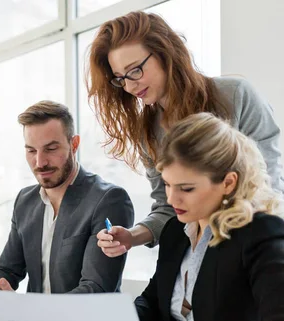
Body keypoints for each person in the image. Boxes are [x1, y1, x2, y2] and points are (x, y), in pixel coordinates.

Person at [88, 11, 284, 257]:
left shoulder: (235, 95)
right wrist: (131, 236)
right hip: (193, 254)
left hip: (252, 247)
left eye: (135, 70)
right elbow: (169, 208)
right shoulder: (147, 131)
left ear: (165, 53)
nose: (129, 86)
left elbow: (269, 187)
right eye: (120, 78)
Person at [122, 113, 284, 321]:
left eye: (186, 189)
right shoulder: (176, 229)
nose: (172, 199)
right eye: (167, 184)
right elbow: (152, 302)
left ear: (228, 183)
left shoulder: (261, 233)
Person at [0, 100, 134, 315]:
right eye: (31, 150)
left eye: (51, 149)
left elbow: (96, 290)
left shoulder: (108, 199)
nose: (40, 162)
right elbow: (7, 269)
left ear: (74, 144)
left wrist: (24, 308)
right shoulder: (25, 200)